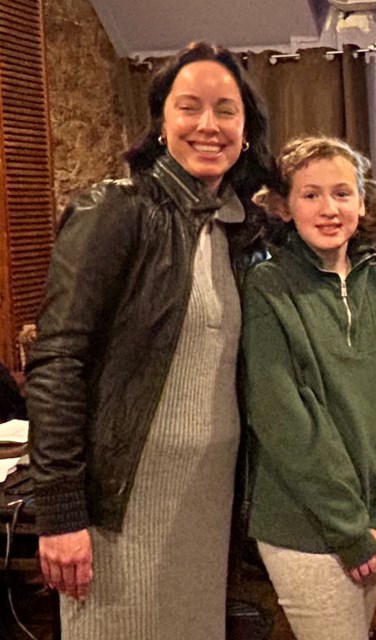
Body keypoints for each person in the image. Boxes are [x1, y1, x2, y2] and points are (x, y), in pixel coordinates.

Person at [24, 42, 273, 638]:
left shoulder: (240, 230)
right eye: (190, 107)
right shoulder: (115, 210)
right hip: (122, 501)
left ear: (246, 128)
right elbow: (57, 361)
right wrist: (59, 511)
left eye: (226, 109)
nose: (208, 125)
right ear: (161, 124)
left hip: (210, 497)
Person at [240, 136, 376, 640]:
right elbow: (283, 417)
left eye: (343, 193)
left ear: (363, 202)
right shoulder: (268, 287)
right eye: (311, 195)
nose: (329, 208)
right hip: (306, 525)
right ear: (284, 207)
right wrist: (351, 530)